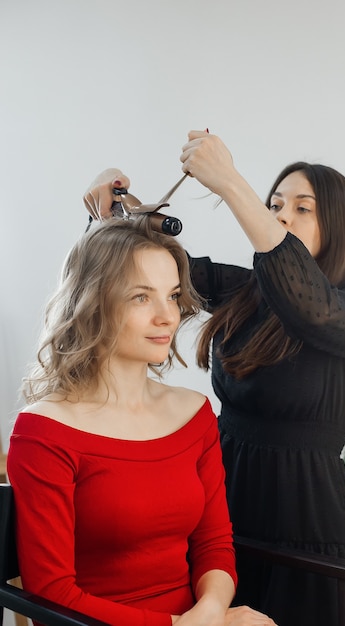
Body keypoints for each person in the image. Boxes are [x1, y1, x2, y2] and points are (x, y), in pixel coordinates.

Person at [82, 130, 345, 626]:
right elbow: (146, 271)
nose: (282, 215)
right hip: (219, 506)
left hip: (305, 519)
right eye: (274, 204)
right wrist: (108, 212)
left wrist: (228, 182)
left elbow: (309, 306)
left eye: (302, 208)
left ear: (337, 224)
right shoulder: (245, 289)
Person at [7, 217, 277, 626]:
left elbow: (214, 543)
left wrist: (209, 612)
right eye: (141, 298)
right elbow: (52, 594)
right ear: (93, 303)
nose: (168, 316)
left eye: (172, 296)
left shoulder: (194, 414)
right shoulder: (44, 431)